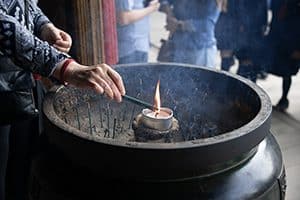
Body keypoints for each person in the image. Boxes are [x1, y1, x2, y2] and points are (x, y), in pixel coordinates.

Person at [0, 0, 125, 199]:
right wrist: (64, 66)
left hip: (24, 84)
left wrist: (43, 26)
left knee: (24, 176)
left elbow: (21, 3)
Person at [158, 0, 227, 68]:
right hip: (177, 46)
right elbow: (164, 1)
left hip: (200, 51)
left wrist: (178, 25)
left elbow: (208, 25)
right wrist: (169, 14)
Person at [266, 0, 300, 111]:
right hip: (277, 37)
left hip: (293, 41)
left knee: (287, 71)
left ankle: (284, 99)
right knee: (273, 65)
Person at [234, 0, 269, 82]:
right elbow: (238, 7)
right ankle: (238, 84)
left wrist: (264, 25)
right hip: (244, 30)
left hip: (256, 30)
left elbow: (264, 10)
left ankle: (253, 84)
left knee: (253, 61)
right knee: (243, 61)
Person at [215, 0, 239, 71]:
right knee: (225, 52)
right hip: (225, 20)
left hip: (232, 21)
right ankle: (226, 68)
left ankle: (227, 64)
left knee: (226, 52)